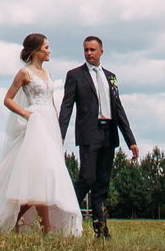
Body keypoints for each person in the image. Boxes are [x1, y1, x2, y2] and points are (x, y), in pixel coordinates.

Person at [0, 34, 85, 235]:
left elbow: (51, 102)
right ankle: (36, 225)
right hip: (35, 124)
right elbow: (8, 99)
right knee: (40, 174)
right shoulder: (24, 73)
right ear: (36, 51)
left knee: (48, 174)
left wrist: (58, 130)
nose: (49, 50)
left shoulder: (48, 73)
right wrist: (26, 113)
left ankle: (38, 225)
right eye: (46, 47)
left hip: (49, 124)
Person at [59, 34, 138, 238]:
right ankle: (64, 214)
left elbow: (118, 109)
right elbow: (67, 106)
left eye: (92, 50)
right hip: (89, 133)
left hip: (108, 133)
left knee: (102, 183)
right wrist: (60, 133)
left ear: (101, 51)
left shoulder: (111, 76)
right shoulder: (75, 75)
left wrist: (131, 141)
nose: (88, 53)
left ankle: (101, 231)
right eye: (86, 50)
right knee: (87, 177)